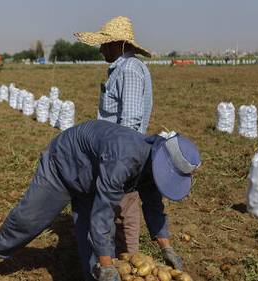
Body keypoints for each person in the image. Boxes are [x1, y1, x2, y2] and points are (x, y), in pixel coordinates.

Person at [0, 120, 201, 281]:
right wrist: (107, 265)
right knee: (31, 217)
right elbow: (103, 213)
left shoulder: (151, 169)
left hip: (94, 178)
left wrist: (167, 248)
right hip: (63, 165)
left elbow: (153, 207)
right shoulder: (126, 158)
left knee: (97, 247)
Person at [75, 16, 183, 270]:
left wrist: (117, 161)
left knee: (124, 205)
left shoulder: (130, 70)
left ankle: (128, 261)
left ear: (118, 45)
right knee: (123, 204)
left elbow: (130, 122)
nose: (101, 49)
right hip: (118, 150)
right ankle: (124, 259)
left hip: (120, 152)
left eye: (104, 44)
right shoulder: (121, 69)